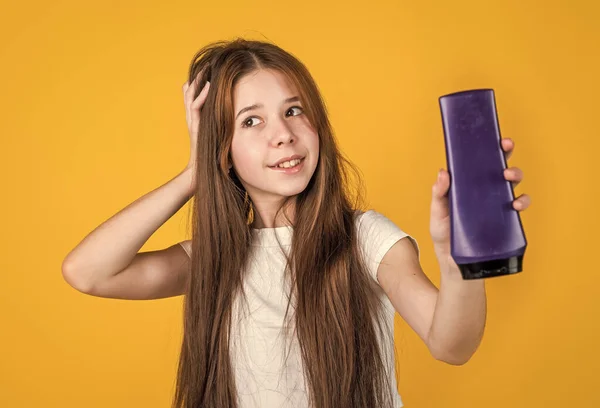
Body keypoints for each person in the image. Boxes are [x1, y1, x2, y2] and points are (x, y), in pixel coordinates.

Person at [61, 38, 531, 408]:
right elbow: (88, 271)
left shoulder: (366, 239)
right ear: (221, 150)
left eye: (293, 111)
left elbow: (452, 344)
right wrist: (193, 174)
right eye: (251, 122)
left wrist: (458, 264)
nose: (283, 134)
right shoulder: (213, 258)